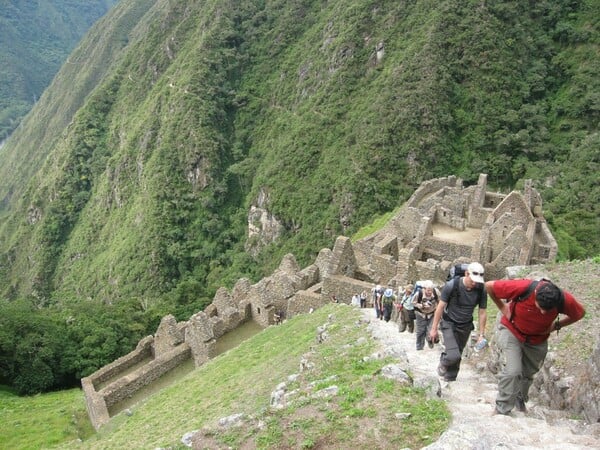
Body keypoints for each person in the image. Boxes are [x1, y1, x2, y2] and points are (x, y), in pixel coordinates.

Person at [485, 278, 585, 415]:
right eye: (540, 307)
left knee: (528, 373)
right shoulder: (523, 287)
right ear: (536, 295)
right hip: (512, 331)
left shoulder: (564, 300)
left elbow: (580, 313)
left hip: (537, 339)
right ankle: (502, 408)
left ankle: (519, 400)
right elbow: (489, 286)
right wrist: (503, 308)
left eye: (548, 310)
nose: (543, 312)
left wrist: (557, 325)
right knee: (513, 371)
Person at [430, 262, 487, 381]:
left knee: (458, 352)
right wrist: (434, 328)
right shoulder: (452, 285)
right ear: (466, 274)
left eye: (477, 281)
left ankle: (450, 377)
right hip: (449, 323)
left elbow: (482, 312)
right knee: (453, 354)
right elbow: (440, 307)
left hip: (465, 325)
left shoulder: (481, 290)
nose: (475, 283)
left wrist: (481, 334)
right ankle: (444, 361)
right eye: (473, 280)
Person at [413, 280, 440, 350]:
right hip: (420, 314)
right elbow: (413, 303)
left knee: (431, 329)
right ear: (424, 289)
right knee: (420, 331)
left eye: (431, 290)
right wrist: (422, 305)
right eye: (428, 290)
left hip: (432, 314)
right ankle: (419, 347)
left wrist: (437, 308)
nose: (430, 292)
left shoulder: (436, 292)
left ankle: (430, 342)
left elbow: (439, 301)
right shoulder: (418, 294)